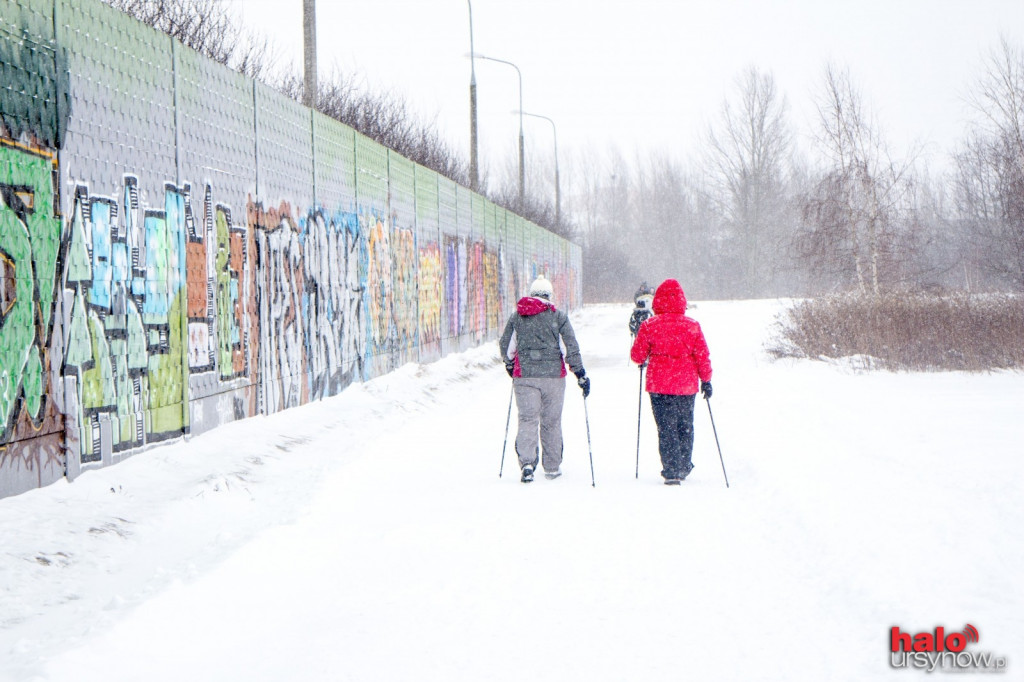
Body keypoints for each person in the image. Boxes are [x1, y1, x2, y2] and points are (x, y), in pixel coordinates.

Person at [499, 275, 590, 483]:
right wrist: (580, 373)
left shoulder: (517, 317)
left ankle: (527, 463)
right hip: (553, 378)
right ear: (549, 295)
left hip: (525, 377)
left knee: (527, 419)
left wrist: (510, 365)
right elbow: (570, 348)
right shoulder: (558, 317)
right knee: (551, 421)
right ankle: (552, 465)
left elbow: (507, 347)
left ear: (532, 295)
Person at [629, 278, 712, 485]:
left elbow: (637, 356)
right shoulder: (692, 326)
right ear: (682, 300)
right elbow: (702, 355)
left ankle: (671, 468)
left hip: (659, 385)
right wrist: (707, 380)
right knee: (685, 425)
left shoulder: (649, 326)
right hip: (686, 384)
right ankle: (683, 465)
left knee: (666, 427)